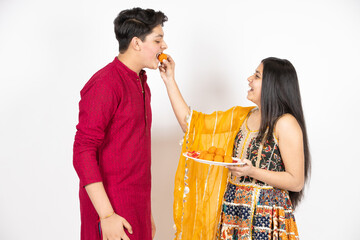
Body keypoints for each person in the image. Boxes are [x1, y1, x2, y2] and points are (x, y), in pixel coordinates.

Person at [159, 57, 310, 239]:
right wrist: (169, 80)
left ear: (273, 85)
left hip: (267, 219)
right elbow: (191, 125)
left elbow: (296, 181)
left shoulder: (285, 123)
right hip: (233, 214)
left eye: (257, 75)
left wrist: (252, 171)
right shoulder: (242, 117)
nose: (249, 79)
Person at [73, 8, 168, 240]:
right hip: (111, 212)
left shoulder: (142, 84)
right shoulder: (105, 84)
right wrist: (106, 216)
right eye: (158, 40)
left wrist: (147, 215)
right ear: (136, 43)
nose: (164, 46)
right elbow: (83, 151)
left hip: (137, 208)